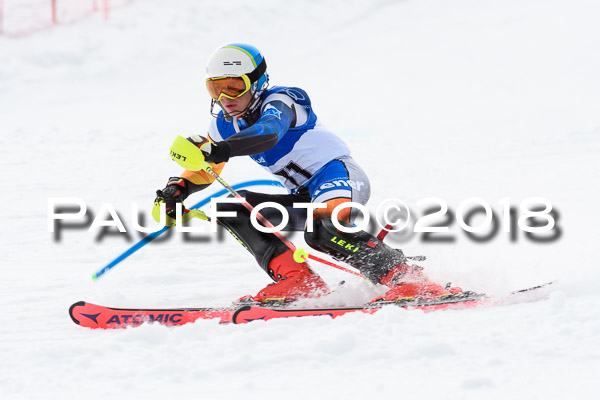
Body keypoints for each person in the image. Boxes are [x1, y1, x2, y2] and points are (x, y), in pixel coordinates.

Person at [154, 43, 461, 303]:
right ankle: (299, 281)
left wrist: (219, 149)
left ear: (257, 83)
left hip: (337, 175)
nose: (225, 97)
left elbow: (268, 133)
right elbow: (207, 169)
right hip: (303, 194)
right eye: (215, 88)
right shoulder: (222, 124)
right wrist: (176, 189)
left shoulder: (286, 99)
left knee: (323, 227)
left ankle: (408, 278)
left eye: (234, 86)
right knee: (232, 208)